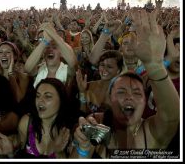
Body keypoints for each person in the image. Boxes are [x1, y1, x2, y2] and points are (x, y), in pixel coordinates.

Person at [71, 9, 179, 158]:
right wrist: (83, 148)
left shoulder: (150, 133)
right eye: (121, 92)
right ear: (110, 99)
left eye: (137, 93)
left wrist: (155, 65)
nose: (129, 97)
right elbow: (93, 60)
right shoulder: (97, 126)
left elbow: (171, 116)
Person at [0, 78, 81, 158]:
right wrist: (11, 152)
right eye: (38, 96)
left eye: (48, 96)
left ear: (61, 101)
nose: (40, 100)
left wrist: (59, 153)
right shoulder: (27, 122)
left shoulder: (71, 131)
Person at [76, 50, 123, 115]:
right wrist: (82, 92)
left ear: (118, 70)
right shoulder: (88, 85)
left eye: (109, 66)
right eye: (102, 65)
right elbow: (83, 112)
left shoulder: (122, 91)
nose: (104, 69)